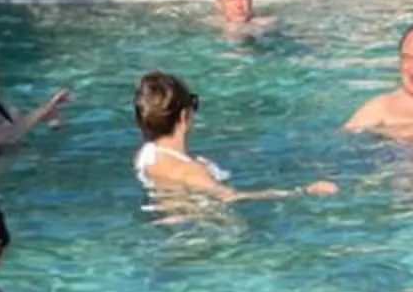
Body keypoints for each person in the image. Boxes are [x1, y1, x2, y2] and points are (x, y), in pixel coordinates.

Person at [132, 70, 337, 201]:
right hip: (200, 231)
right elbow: (232, 197)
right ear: (185, 116)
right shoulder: (192, 172)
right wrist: (303, 191)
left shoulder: (147, 155)